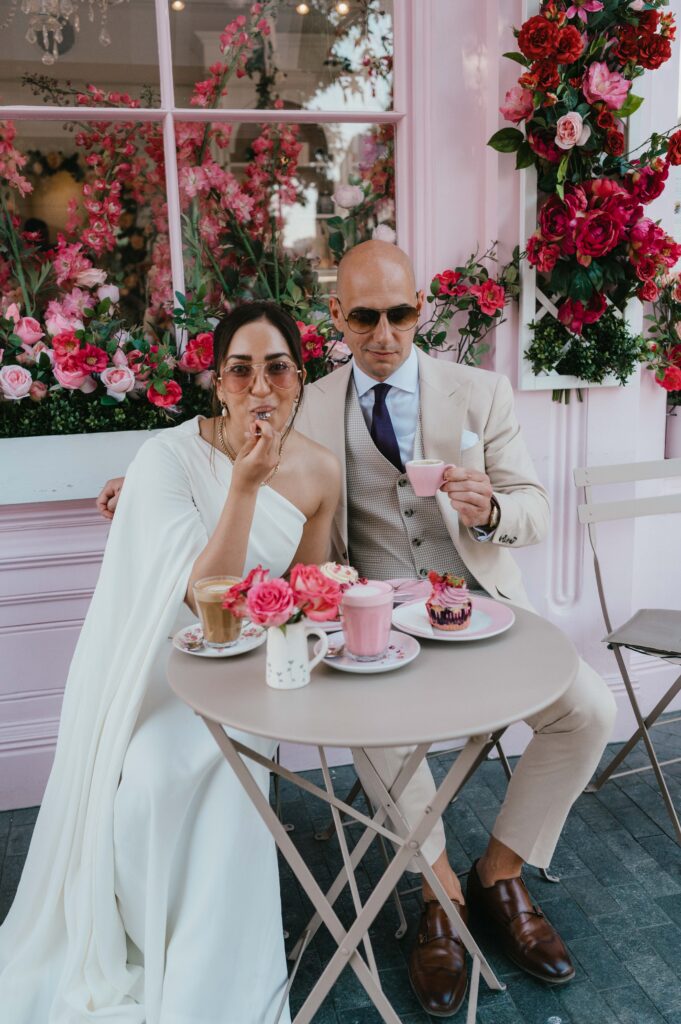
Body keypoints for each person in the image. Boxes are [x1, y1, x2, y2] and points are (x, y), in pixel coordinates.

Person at [96, 242, 617, 1019]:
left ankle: (497, 873)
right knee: (375, 737)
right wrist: (140, 482)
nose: (384, 332)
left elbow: (533, 508)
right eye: (365, 316)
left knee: (590, 712)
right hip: (371, 622)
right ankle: (438, 896)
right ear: (336, 317)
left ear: (419, 311)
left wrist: (494, 509)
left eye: (401, 313)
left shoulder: (480, 392)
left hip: (483, 610)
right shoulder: (304, 395)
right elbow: (229, 424)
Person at [0, 302, 341, 1024]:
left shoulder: (320, 472)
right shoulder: (164, 456)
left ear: (298, 378)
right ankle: (143, 942)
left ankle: (210, 977)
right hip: (155, 673)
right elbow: (202, 599)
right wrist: (245, 485)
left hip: (249, 679)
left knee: (211, 777)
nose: (259, 387)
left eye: (276, 368)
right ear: (217, 382)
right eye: (240, 370)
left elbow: (307, 598)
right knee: (150, 781)